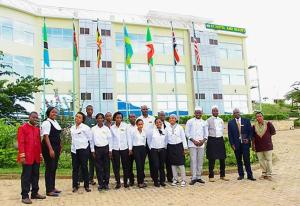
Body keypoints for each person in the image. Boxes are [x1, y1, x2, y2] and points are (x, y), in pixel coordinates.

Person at [17, 112, 46, 204]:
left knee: (35, 175)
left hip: (36, 156)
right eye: (33, 117)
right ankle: (25, 196)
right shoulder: (23, 128)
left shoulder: (37, 129)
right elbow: (20, 143)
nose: (35, 119)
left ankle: (34, 193)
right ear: (29, 117)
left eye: (36, 118)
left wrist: (41, 155)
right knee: (26, 177)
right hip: (27, 157)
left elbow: (39, 144)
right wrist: (22, 156)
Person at [228, 108, 256, 181]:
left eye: (237, 112)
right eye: (235, 113)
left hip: (245, 144)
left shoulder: (246, 121)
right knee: (238, 160)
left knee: (247, 159)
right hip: (236, 145)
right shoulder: (230, 123)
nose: (236, 114)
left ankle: (250, 175)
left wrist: (248, 139)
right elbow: (230, 135)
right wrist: (232, 145)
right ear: (233, 114)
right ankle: (241, 175)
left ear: (239, 113)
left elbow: (250, 132)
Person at [41, 107, 62, 196]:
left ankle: (52, 187)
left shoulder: (55, 122)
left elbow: (57, 135)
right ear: (48, 113)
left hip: (56, 147)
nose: (55, 113)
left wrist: (60, 146)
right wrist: (50, 149)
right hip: (49, 148)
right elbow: (46, 137)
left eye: (56, 112)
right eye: (53, 112)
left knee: (54, 167)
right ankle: (49, 190)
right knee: (49, 168)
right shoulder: (46, 122)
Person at [70, 112, 93, 193]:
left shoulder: (86, 128)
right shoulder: (72, 127)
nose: (77, 118)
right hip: (74, 150)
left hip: (83, 149)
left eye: (79, 117)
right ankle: (75, 185)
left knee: (84, 167)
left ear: (82, 119)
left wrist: (92, 150)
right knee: (75, 168)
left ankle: (86, 185)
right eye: (76, 116)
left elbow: (90, 139)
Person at [185, 107, 208, 185]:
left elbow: (206, 134)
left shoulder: (204, 122)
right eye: (196, 112)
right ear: (194, 113)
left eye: (199, 112)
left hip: (201, 145)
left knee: (200, 161)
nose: (198, 114)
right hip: (192, 144)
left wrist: (203, 141)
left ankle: (198, 177)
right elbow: (187, 133)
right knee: (193, 161)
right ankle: (193, 177)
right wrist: (193, 140)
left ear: (201, 113)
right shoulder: (189, 121)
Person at [206, 106, 229, 182]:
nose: (215, 112)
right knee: (211, 159)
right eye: (214, 111)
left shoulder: (221, 120)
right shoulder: (208, 120)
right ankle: (211, 176)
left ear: (218, 112)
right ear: (212, 112)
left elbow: (222, 130)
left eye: (216, 111)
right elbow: (206, 131)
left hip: (220, 140)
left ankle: (222, 175)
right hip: (212, 140)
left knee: (222, 158)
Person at [252, 111, 276, 181]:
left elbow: (273, 132)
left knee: (269, 160)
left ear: (263, 117)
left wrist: (267, 138)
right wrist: (253, 145)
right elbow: (253, 136)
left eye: (260, 116)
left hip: (267, 145)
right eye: (257, 117)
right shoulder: (254, 126)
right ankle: (264, 173)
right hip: (258, 146)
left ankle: (269, 174)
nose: (258, 117)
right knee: (261, 160)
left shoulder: (268, 124)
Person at [165, 114, 188, 187]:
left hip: (179, 146)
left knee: (181, 163)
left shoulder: (180, 127)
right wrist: (165, 147)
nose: (171, 119)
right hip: (170, 147)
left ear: (176, 119)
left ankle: (183, 179)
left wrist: (185, 148)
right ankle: (175, 179)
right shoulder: (167, 128)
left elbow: (183, 138)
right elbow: (166, 139)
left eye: (173, 118)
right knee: (173, 164)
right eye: (170, 118)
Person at [91, 113, 112, 191]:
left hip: (106, 149)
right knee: (98, 167)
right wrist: (92, 150)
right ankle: (100, 184)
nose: (100, 119)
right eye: (98, 118)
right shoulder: (93, 129)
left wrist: (110, 150)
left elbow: (110, 140)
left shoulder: (106, 129)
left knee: (106, 167)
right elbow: (91, 140)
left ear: (103, 119)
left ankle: (106, 183)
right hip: (97, 149)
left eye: (101, 118)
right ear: (96, 119)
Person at [110, 112, 130, 189]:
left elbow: (128, 137)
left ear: (122, 118)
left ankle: (125, 182)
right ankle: (118, 182)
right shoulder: (112, 128)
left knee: (125, 166)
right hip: (115, 149)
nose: (119, 119)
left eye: (120, 118)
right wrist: (110, 150)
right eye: (117, 117)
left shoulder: (125, 126)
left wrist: (130, 148)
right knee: (116, 167)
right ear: (115, 118)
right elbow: (110, 140)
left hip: (124, 148)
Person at [137, 105, 155, 181]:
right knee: (142, 162)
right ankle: (142, 178)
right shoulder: (138, 119)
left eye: (146, 109)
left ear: (148, 110)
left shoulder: (152, 118)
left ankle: (154, 177)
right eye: (143, 109)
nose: (144, 110)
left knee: (152, 160)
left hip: (151, 142)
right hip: (142, 143)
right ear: (141, 110)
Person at [149, 118, 167, 187]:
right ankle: (156, 181)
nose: (158, 123)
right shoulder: (152, 131)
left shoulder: (164, 131)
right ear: (155, 123)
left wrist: (164, 147)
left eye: (160, 122)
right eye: (157, 122)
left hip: (162, 150)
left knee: (162, 166)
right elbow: (149, 140)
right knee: (156, 166)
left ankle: (162, 181)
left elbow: (166, 140)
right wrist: (151, 148)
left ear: (162, 123)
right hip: (154, 151)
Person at [129, 119, 147, 188]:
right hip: (136, 149)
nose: (140, 125)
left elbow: (144, 141)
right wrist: (130, 149)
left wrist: (144, 149)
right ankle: (140, 182)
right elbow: (130, 140)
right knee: (139, 165)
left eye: (141, 124)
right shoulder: (133, 132)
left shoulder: (144, 132)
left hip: (143, 149)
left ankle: (141, 181)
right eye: (139, 124)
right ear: (136, 125)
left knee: (142, 166)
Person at [84, 105, 97, 185]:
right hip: (84, 144)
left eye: (91, 109)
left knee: (92, 163)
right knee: (83, 162)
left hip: (92, 144)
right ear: (86, 110)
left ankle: (90, 179)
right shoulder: (84, 120)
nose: (90, 111)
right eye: (88, 109)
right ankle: (82, 179)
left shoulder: (94, 120)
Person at [158, 111, 172, 183]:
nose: (162, 116)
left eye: (163, 115)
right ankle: (161, 179)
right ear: (158, 116)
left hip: (168, 146)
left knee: (169, 163)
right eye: (160, 115)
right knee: (161, 164)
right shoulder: (156, 125)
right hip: (160, 147)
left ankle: (170, 178)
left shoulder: (168, 124)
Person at [127, 113, 136, 186]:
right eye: (130, 117)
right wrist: (130, 149)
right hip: (129, 150)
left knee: (139, 165)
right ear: (129, 118)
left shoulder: (139, 126)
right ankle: (131, 180)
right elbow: (128, 139)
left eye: (133, 117)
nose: (132, 118)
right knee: (129, 166)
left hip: (137, 149)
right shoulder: (127, 127)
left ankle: (140, 179)